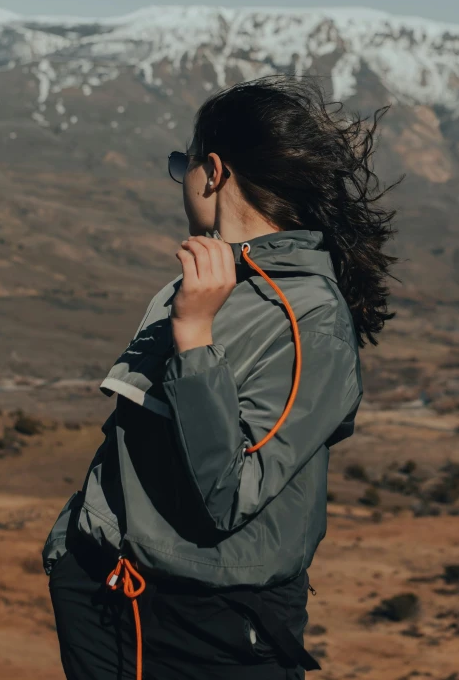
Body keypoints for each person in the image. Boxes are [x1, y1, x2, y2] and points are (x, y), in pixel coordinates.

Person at [42, 75, 401, 680]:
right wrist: (73, 548)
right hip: (113, 596)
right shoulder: (214, 279)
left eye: (182, 162)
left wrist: (194, 341)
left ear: (212, 171)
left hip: (205, 628)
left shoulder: (310, 318)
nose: (180, 176)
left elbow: (229, 494)